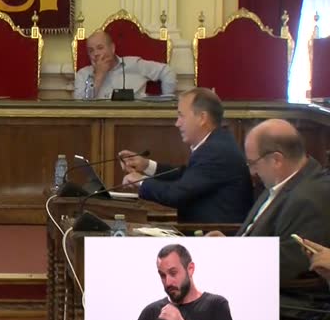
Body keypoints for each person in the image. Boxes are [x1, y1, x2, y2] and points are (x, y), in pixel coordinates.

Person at [205, 119, 330, 294]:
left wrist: (225, 258)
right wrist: (230, 246)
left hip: (275, 296)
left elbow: (286, 266)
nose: (252, 172)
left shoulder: (309, 198)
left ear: (276, 160)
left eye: (253, 163)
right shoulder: (282, 181)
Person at [118, 88, 253, 224]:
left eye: (181, 116)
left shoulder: (216, 150)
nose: (177, 123)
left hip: (214, 234)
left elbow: (177, 194)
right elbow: (187, 177)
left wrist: (140, 181)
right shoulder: (217, 143)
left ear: (202, 118)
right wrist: (146, 165)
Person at [73, 31, 176, 100]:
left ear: (112, 48)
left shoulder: (134, 64)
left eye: (100, 48)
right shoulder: (83, 74)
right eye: (91, 51)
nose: (95, 54)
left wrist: (166, 102)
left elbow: (166, 71)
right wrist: (99, 76)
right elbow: (80, 105)